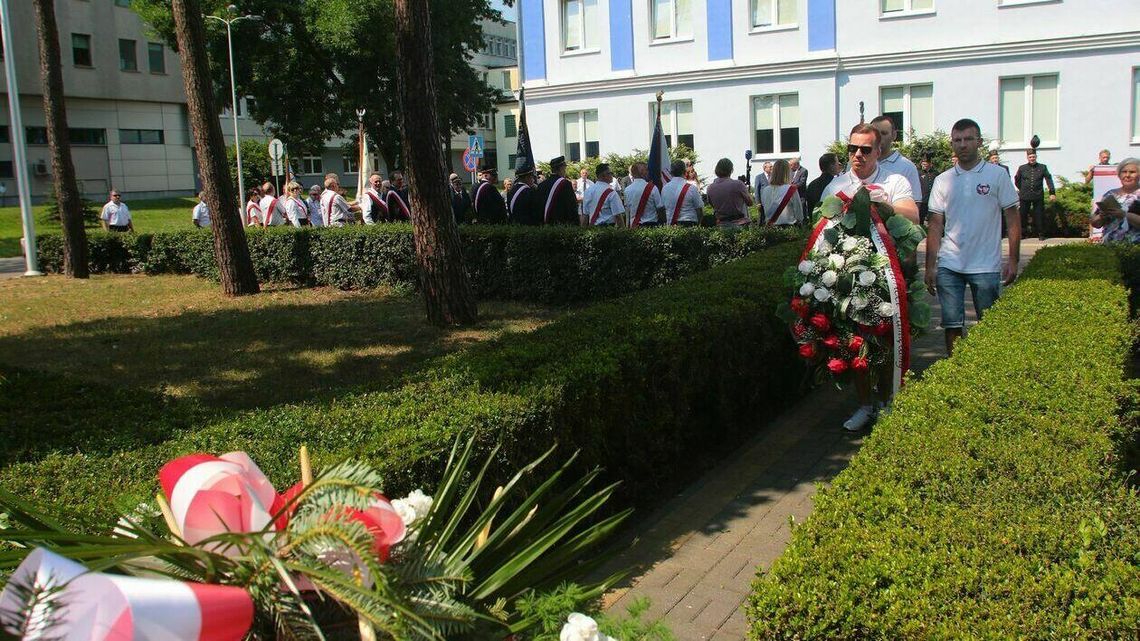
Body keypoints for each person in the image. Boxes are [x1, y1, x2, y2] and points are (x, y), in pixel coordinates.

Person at [822, 123, 919, 432]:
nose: (858, 155)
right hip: (848, 279)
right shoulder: (835, 185)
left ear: (879, 151)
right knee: (854, 345)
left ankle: (888, 401)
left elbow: (914, 215)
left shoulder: (895, 180)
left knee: (888, 343)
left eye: (865, 149)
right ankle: (865, 405)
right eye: (853, 149)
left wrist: (876, 204)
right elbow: (821, 230)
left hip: (887, 278)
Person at [925, 117, 1020, 359]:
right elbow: (935, 225)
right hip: (950, 264)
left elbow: (1012, 219)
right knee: (951, 325)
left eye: (968, 139)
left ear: (979, 141)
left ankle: (988, 369)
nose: (963, 144)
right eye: (957, 140)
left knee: (989, 325)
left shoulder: (997, 175)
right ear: (952, 144)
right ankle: (956, 369)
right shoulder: (942, 180)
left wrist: (1013, 260)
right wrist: (930, 266)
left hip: (986, 265)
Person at [869, 115, 922, 199]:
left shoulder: (907, 167)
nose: (879, 137)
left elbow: (915, 203)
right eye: (875, 133)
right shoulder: (859, 162)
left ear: (894, 135)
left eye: (884, 133)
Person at [1090, 157, 1140, 244]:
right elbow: (1095, 224)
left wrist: (1124, 215)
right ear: (1119, 175)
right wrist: (1101, 217)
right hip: (1109, 248)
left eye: (1132, 172)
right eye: (1124, 172)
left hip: (1134, 249)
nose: (1127, 175)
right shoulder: (1110, 194)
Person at [1013, 151, 1056, 240]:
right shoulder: (1022, 168)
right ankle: (1023, 233)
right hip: (1025, 196)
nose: (1032, 158)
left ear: (1036, 157)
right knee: (1023, 215)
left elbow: (1049, 179)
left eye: (1033, 157)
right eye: (1030, 157)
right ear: (1027, 158)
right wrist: (1022, 189)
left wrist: (1052, 192)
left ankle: (1041, 234)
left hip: (1038, 195)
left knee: (1039, 215)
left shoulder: (1042, 167)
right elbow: (1017, 180)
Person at [707, 158, 753, 228]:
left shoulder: (710, 188)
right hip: (738, 223)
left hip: (721, 224)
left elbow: (712, 205)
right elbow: (750, 203)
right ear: (731, 170)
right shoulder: (738, 184)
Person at [759, 159, 803, 226]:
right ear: (787, 172)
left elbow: (765, 209)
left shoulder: (765, 190)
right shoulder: (792, 189)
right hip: (789, 230)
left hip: (771, 229)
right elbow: (799, 215)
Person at [537, 156, 578, 225]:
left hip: (544, 224)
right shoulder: (565, 184)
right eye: (565, 167)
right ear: (561, 168)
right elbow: (571, 206)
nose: (565, 170)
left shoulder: (542, 185)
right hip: (561, 224)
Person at [662, 159, 704, 226]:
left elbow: (663, 209)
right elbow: (699, 210)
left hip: (671, 225)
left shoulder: (664, 188)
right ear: (685, 172)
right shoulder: (692, 188)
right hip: (689, 224)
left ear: (671, 173)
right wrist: (698, 225)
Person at [582, 163, 626, 227]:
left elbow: (585, 215)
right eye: (610, 173)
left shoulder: (588, 191)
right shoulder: (611, 192)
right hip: (608, 229)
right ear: (603, 175)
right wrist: (624, 232)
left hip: (593, 228)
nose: (612, 175)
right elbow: (618, 215)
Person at [623, 162, 665, 228]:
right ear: (642, 172)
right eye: (646, 170)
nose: (648, 172)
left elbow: (628, 209)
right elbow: (660, 208)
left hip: (634, 226)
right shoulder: (653, 188)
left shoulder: (627, 190)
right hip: (651, 226)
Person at [918, 156, 938, 226]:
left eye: (925, 163)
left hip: (933, 199)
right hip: (923, 199)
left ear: (929, 164)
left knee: (933, 218)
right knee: (921, 217)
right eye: (923, 164)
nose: (924, 165)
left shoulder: (935, 173)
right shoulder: (919, 173)